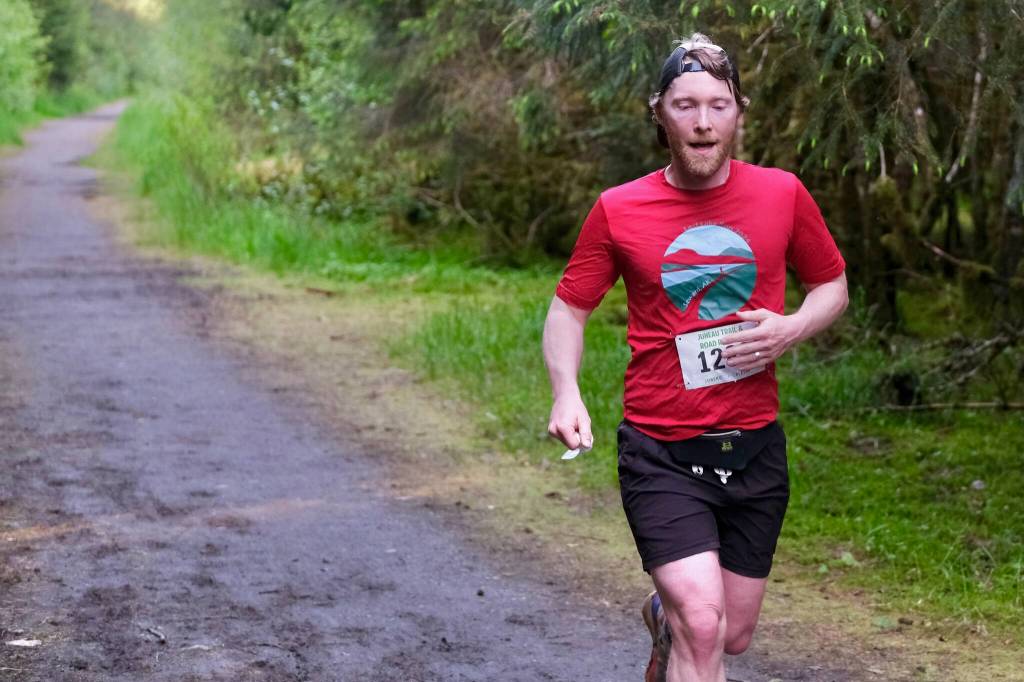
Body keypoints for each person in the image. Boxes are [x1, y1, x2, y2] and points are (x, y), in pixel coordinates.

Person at [541, 33, 849, 682]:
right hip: (661, 449)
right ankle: (682, 622)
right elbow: (569, 308)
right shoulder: (619, 209)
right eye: (685, 105)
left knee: (730, 634)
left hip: (754, 448)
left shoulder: (783, 194)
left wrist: (792, 328)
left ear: (739, 113)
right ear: (659, 112)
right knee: (704, 626)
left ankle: (665, 617)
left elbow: (832, 285)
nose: (703, 121)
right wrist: (566, 390)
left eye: (718, 105)